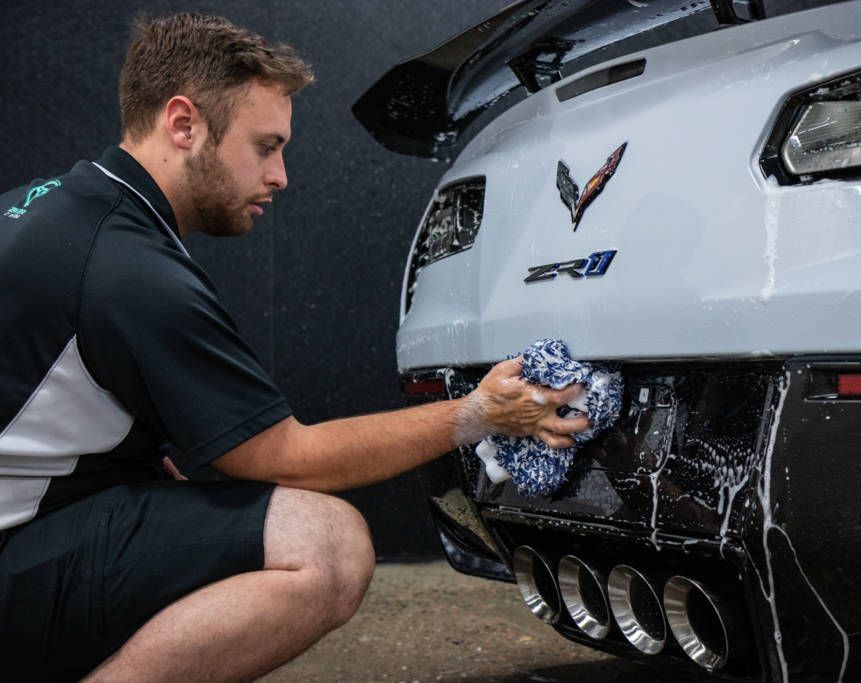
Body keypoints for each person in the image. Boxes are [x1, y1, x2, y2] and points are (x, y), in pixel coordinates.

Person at [0, 13, 589, 682]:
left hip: (30, 528)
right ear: (183, 124)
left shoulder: (47, 207)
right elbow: (289, 458)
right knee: (327, 545)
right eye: (265, 146)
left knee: (185, 498)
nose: (280, 176)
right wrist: (478, 414)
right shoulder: (129, 266)